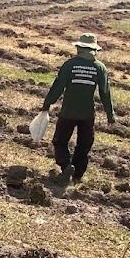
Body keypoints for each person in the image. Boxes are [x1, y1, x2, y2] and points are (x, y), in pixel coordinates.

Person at [41, 33, 116, 185]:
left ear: (79, 48)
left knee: (60, 142)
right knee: (84, 145)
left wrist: (47, 104)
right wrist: (110, 115)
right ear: (94, 50)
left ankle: (66, 166)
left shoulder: (70, 65)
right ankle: (77, 176)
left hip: (68, 112)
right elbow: (105, 93)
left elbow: (58, 87)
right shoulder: (99, 68)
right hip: (87, 115)